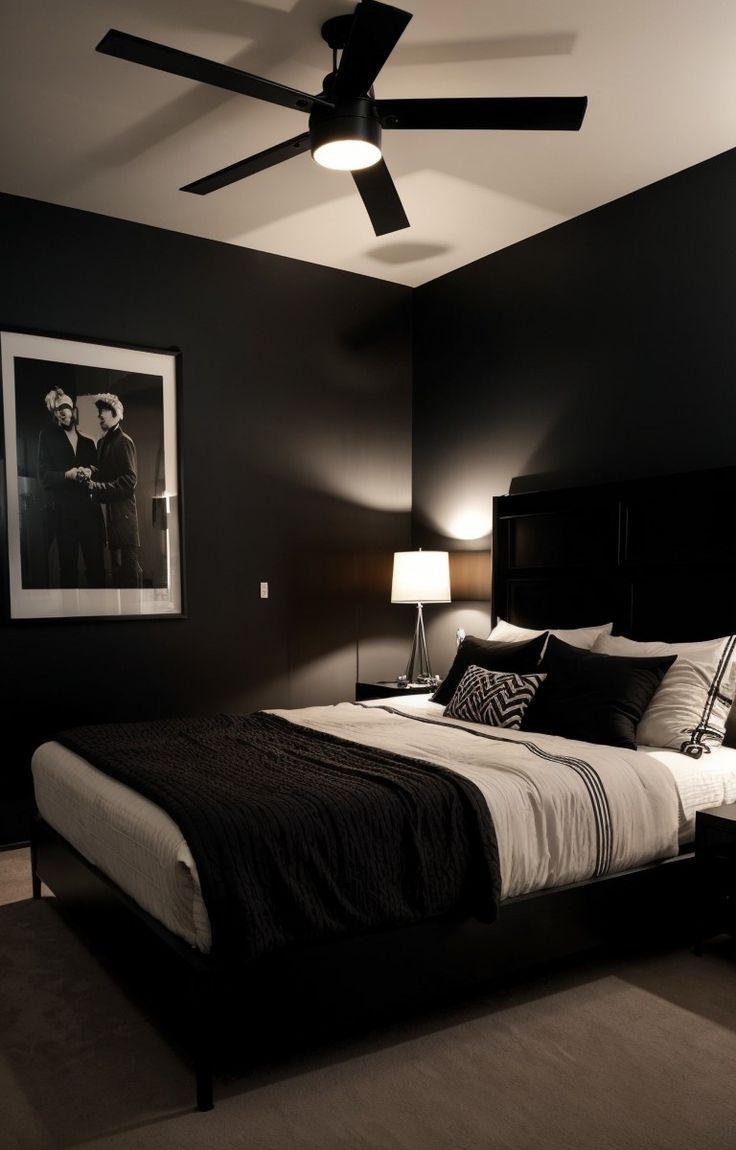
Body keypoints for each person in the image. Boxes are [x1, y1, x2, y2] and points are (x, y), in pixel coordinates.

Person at [37, 387, 105, 588]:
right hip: (64, 516)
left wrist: (90, 472)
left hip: (90, 515)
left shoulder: (88, 443)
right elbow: (43, 477)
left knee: (96, 568)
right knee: (68, 570)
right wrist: (67, 474)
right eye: (59, 409)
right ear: (55, 414)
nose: (63, 412)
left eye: (66, 407)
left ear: (74, 410)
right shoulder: (47, 437)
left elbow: (99, 472)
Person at [86, 392, 142, 589]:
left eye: (103, 411)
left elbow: (129, 482)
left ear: (115, 413)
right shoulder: (102, 443)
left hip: (124, 523)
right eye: (99, 411)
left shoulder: (124, 441)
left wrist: (97, 486)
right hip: (109, 521)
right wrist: (90, 472)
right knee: (116, 577)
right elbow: (106, 474)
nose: (100, 415)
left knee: (128, 579)